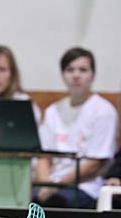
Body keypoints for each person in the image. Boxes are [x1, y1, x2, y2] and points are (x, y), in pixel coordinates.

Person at [34, 47, 118, 209]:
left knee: (56, 203)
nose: (76, 75)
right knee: (23, 199)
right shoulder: (53, 111)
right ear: (63, 75)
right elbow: (43, 157)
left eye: (83, 70)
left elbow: (94, 164)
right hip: (52, 183)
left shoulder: (103, 111)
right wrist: (45, 185)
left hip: (86, 186)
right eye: (70, 70)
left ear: (92, 75)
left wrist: (55, 187)